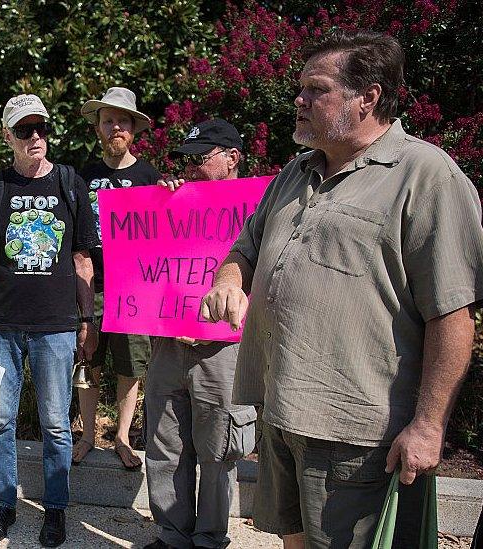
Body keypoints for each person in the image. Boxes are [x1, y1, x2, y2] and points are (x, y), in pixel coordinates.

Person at [201, 30, 483, 548]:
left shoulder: (425, 175)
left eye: (316, 89)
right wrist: (228, 280)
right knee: (292, 540)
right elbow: (244, 249)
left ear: (367, 98)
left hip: (358, 433)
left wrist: (428, 425)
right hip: (282, 412)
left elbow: (453, 313)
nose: (299, 101)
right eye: (301, 88)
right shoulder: (295, 171)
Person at [0, 93, 98, 547]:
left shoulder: (70, 183)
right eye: (24, 129)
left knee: (57, 424)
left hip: (55, 328)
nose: (35, 136)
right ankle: (4, 505)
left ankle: (55, 509)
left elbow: (82, 260)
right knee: (0, 420)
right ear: (8, 137)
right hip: (0, 329)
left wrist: (86, 319)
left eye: (40, 127)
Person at [142, 119, 257, 549]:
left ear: (233, 158)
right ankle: (172, 536)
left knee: (216, 451)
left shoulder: (257, 209)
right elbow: (148, 265)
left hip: (223, 350)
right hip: (169, 347)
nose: (191, 168)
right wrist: (162, 201)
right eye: (187, 159)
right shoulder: (176, 201)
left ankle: (209, 539)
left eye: (201, 158)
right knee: (165, 443)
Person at [73, 87, 160, 470]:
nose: (115, 127)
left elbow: (167, 232)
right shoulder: (82, 176)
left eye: (122, 121)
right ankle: (88, 435)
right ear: (98, 129)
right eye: (108, 121)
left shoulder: (149, 177)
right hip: (90, 285)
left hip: (133, 289)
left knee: (130, 366)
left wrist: (172, 194)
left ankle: (122, 437)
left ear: (133, 129)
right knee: (88, 360)